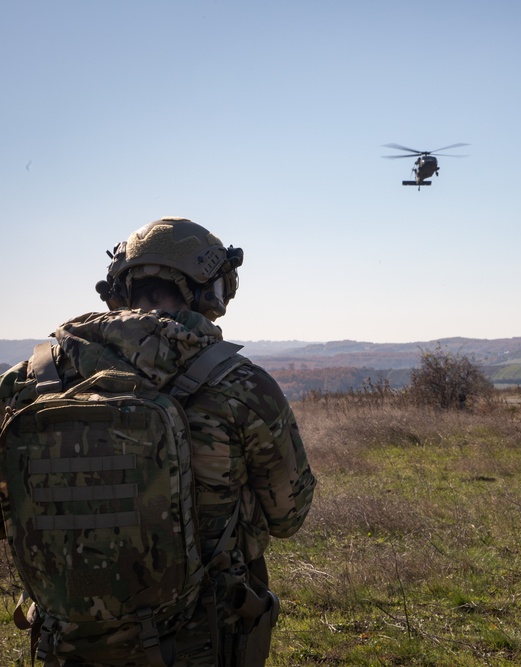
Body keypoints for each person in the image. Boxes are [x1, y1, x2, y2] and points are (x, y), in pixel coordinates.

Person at [0, 217, 316, 666]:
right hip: (198, 642)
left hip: (66, 645)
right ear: (210, 292)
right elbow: (288, 516)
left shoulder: (31, 379)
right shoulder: (242, 385)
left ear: (119, 288)